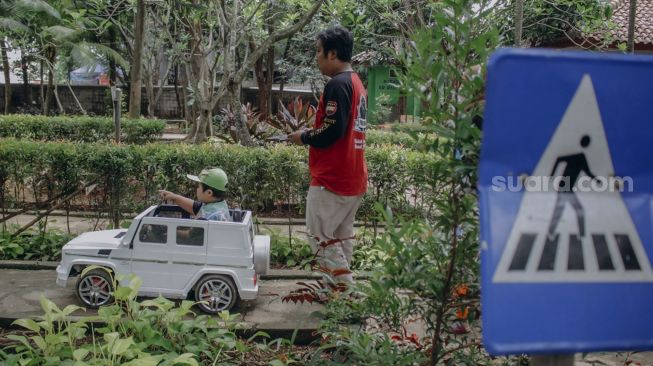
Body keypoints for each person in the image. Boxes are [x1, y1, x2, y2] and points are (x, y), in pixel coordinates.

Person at [288, 26, 368, 285]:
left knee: (320, 237)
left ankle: (345, 293)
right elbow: (341, 126)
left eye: (319, 51)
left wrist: (305, 136)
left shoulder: (337, 84)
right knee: (340, 238)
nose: (317, 57)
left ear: (332, 53)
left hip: (332, 178)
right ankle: (335, 292)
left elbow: (332, 130)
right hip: (353, 176)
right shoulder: (356, 83)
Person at [159, 168, 231, 222]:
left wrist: (167, 230)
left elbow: (191, 235)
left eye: (198, 187)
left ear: (209, 193)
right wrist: (175, 197)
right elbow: (196, 207)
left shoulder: (207, 217)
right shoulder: (218, 204)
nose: (196, 189)